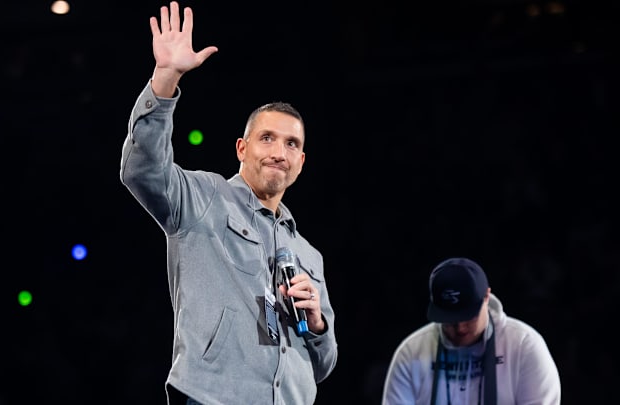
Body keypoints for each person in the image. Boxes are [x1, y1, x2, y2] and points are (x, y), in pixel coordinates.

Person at [119, 2, 338, 404]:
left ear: (301, 162)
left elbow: (324, 365)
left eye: (292, 144)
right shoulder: (204, 198)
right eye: (267, 138)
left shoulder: (309, 255)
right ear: (241, 148)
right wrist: (165, 78)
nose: (279, 151)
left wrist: (318, 323)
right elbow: (142, 170)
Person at [382, 257, 561, 405]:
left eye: (468, 317)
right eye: (450, 319)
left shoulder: (524, 345)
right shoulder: (411, 352)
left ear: (486, 296)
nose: (460, 327)